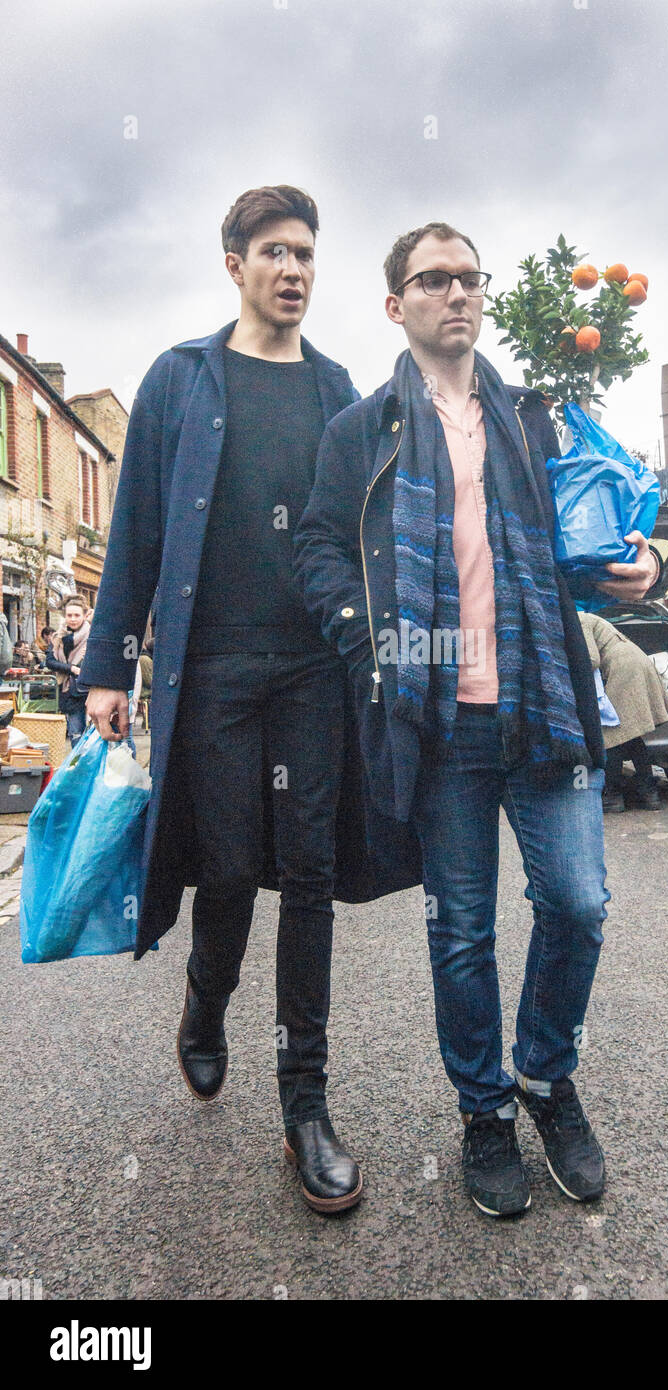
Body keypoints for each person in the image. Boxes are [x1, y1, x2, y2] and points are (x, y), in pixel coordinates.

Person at [294, 222, 661, 1217]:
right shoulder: (360, 432)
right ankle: (484, 1112)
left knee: (578, 903)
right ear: (395, 304)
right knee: (460, 933)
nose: (455, 293)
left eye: (468, 278)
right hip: (440, 721)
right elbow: (320, 549)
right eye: (433, 279)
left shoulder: (535, 419)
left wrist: (641, 565)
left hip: (543, 706)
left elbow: (602, 526)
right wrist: (366, 644)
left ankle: (544, 1075)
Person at [80, 184, 418, 1215]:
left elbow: (370, 530)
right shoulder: (181, 381)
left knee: (306, 876)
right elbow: (138, 526)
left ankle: (304, 1104)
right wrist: (104, 666)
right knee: (226, 866)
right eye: (274, 251)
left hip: (313, 670)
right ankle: (206, 997)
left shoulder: (337, 391)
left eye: (307, 253)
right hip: (214, 670)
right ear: (234, 265)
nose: (294, 270)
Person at [577, 611, 668, 812]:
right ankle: (648, 792)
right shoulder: (590, 618)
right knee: (631, 735)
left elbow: (591, 659)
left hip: (623, 667)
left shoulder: (579, 619)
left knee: (613, 735)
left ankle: (613, 796)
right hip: (636, 659)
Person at [45, 596, 91, 746]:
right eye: (69, 615)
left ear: (84, 616)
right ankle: (78, 768)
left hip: (91, 690)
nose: (72, 619)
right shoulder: (58, 637)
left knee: (93, 736)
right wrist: (71, 668)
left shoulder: (92, 636)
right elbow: (50, 661)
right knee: (75, 734)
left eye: (77, 615)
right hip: (69, 691)